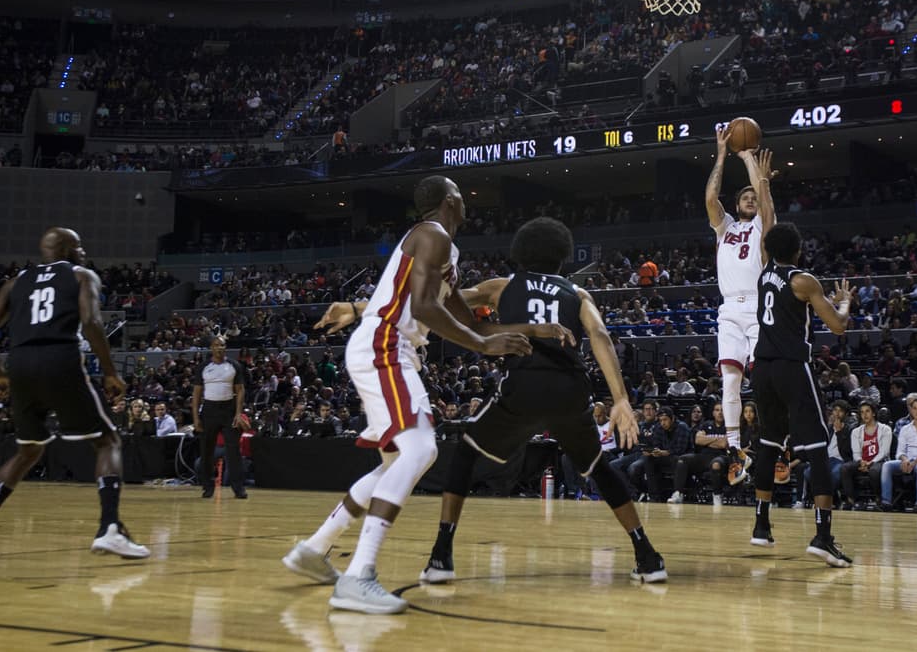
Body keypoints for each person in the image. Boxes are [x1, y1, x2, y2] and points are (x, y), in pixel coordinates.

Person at [280, 176, 533, 614]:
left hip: (392, 349)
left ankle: (314, 548)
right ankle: (358, 576)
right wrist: (481, 345)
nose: (467, 202)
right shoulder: (432, 235)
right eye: (462, 195)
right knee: (421, 451)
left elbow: (470, 321)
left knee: (394, 464)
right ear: (451, 201)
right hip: (386, 346)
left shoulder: (444, 251)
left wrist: (531, 331)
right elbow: (423, 308)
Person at [414, 216, 666, 584]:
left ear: (521, 252)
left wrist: (442, 288)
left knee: (466, 452)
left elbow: (443, 300)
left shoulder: (503, 286)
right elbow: (600, 335)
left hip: (524, 384)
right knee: (598, 467)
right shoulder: (578, 294)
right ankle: (647, 555)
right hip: (569, 388)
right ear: (562, 255)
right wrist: (620, 399)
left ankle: (441, 555)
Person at [0, 227, 149, 560]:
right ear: (68, 249)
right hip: (60, 358)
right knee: (108, 441)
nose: (83, 252)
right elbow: (92, 323)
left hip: (20, 365)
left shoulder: (16, 282)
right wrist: (110, 371)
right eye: (80, 246)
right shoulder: (82, 275)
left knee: (28, 450)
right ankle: (110, 529)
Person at [748, 222, 854, 567]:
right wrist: (844, 303)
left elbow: (767, 228)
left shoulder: (764, 273)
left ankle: (761, 526)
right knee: (818, 447)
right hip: (791, 366)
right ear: (798, 250)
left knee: (769, 442)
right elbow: (838, 326)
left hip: (762, 368)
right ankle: (823, 537)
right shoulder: (803, 280)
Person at [705, 124, 776, 457]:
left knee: (763, 379)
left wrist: (747, 156)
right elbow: (710, 198)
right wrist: (722, 155)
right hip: (730, 309)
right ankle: (734, 450)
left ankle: (775, 440)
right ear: (736, 205)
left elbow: (764, 196)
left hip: (759, 306)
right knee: (730, 380)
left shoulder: (763, 223)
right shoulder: (725, 227)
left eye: (753, 198)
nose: (750, 199)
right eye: (744, 197)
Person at [192, 337, 248, 499]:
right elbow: (196, 394)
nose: (219, 348)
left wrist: (238, 413)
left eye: (222, 345)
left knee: (234, 450)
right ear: (211, 347)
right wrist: (196, 418)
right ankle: (207, 487)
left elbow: (240, 390)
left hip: (229, 410)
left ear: (225, 347)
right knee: (206, 450)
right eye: (216, 345)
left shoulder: (234, 365)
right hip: (209, 410)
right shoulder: (203, 367)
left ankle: (238, 488)